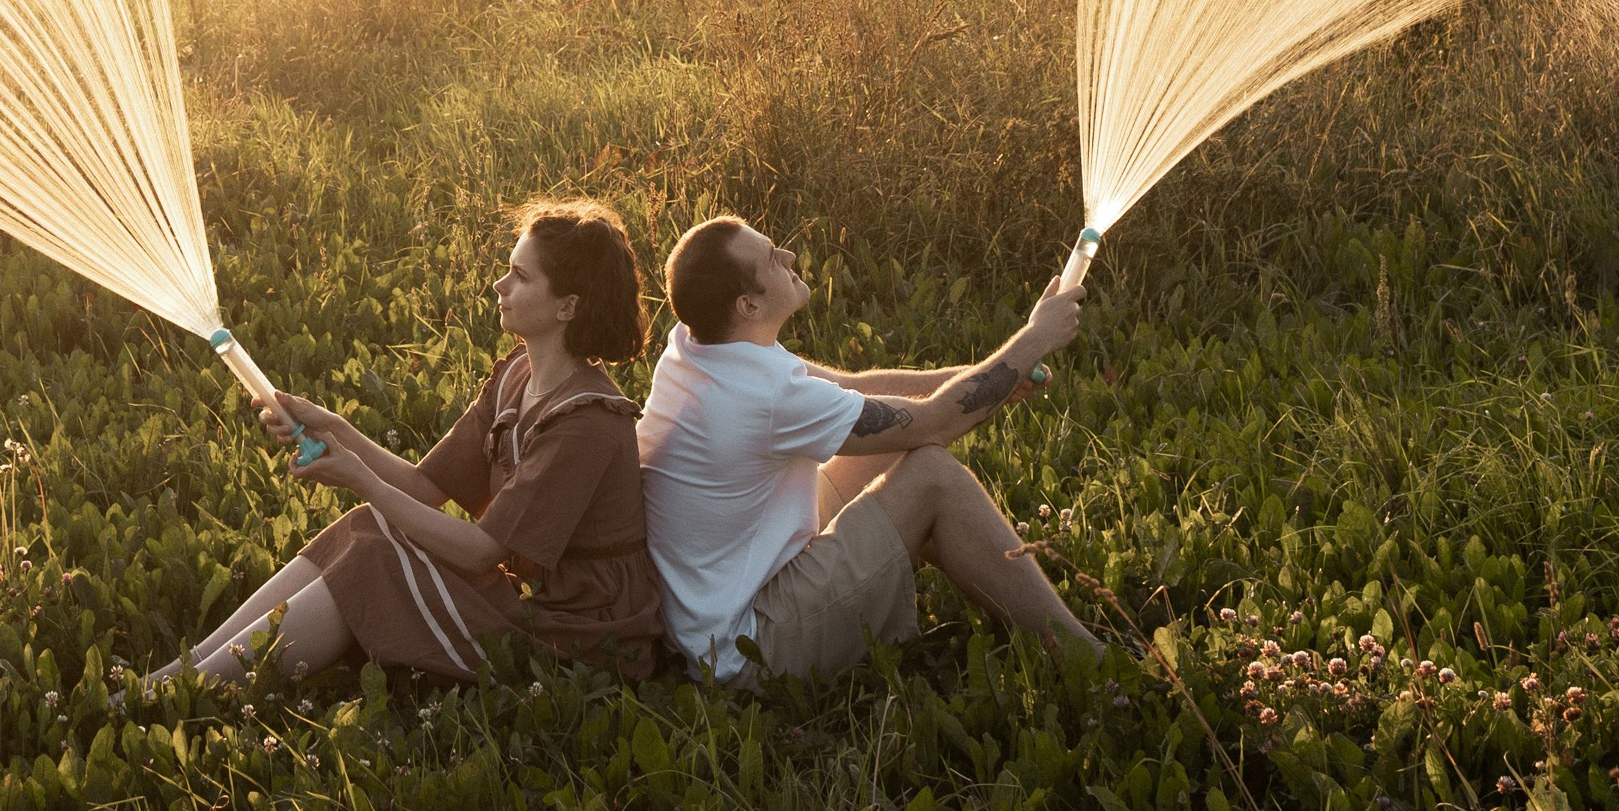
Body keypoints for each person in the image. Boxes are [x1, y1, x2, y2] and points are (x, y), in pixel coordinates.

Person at [158, 200, 666, 688]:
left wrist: (358, 476)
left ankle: (194, 690)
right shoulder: (518, 374)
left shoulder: (588, 421)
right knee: (368, 525)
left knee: (372, 562)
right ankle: (184, 672)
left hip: (581, 633)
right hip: (531, 596)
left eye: (521, 276)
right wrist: (335, 428)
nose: (500, 283)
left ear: (568, 307)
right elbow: (426, 486)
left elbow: (480, 554)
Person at [637, 217, 1094, 684]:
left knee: (894, 448)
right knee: (932, 474)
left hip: (720, 604)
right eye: (773, 258)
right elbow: (937, 423)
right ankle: (1085, 657)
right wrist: (1035, 338)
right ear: (748, 304)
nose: (790, 258)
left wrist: (996, 372)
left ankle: (982, 573)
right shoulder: (766, 397)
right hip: (747, 648)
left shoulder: (695, 346)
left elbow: (854, 389)